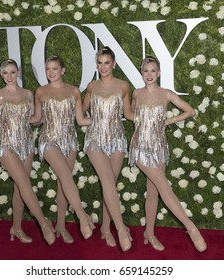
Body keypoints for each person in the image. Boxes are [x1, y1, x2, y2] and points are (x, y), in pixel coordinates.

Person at [0, 59, 56, 246]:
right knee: (24, 182)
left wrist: (46, 116)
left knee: (20, 188)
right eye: (5, 73)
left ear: (18, 72)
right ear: (1, 75)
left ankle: (16, 228)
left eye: (12, 72)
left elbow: (34, 118)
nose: (9, 76)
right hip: (6, 145)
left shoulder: (27, 94)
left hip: (26, 144)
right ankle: (44, 224)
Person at [128, 56, 207, 252]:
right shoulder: (137, 93)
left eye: (153, 71)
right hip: (140, 147)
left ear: (159, 73)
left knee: (153, 191)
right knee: (164, 186)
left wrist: (166, 121)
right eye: (146, 71)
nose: (149, 74)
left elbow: (190, 111)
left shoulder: (166, 94)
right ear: (141, 72)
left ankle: (149, 232)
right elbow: (129, 114)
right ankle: (191, 227)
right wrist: (142, 119)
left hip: (159, 147)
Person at [30, 55, 95, 243]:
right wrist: (15, 119)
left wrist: (104, 119)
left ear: (63, 70)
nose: (50, 72)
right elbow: (36, 118)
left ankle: (60, 226)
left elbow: (81, 120)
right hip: (48, 139)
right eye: (48, 69)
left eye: (54, 69)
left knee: (63, 184)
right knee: (66, 177)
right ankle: (83, 217)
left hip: (69, 141)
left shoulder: (74, 91)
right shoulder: (40, 91)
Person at [82, 46, 134, 252]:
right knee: (107, 181)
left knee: (110, 184)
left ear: (114, 64)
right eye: (100, 63)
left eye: (106, 63)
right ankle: (120, 229)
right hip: (95, 139)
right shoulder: (92, 86)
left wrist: (151, 118)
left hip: (117, 139)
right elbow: (82, 109)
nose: (103, 66)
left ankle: (105, 228)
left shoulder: (123, 86)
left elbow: (128, 113)